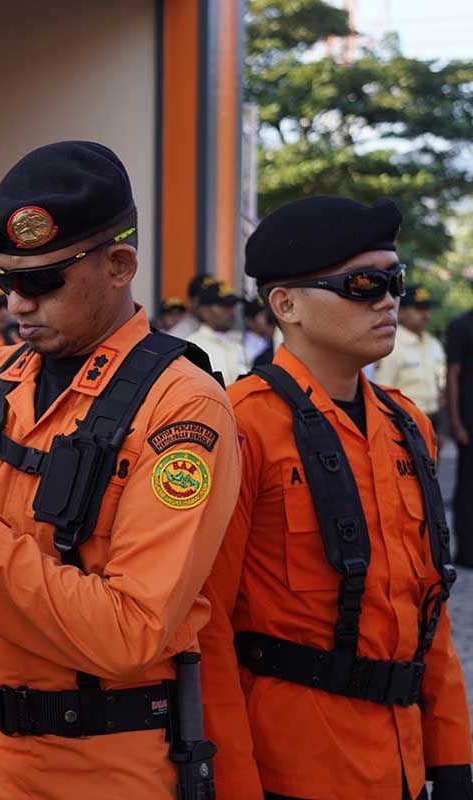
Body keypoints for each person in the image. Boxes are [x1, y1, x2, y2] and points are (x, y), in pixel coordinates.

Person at [0, 140, 241, 798]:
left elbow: (130, 632)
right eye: (3, 281)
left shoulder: (181, 407)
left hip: (90, 768)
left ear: (118, 265)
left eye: (40, 281)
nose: (16, 303)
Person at [199, 196, 471, 800]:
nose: (387, 300)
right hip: (294, 769)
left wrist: (451, 757)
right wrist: (232, 784)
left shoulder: (407, 426)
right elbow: (206, 627)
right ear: (286, 304)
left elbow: (431, 607)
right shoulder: (241, 427)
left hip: (402, 762)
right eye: (363, 284)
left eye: (394, 281)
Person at [375, 286, 445, 430]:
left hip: (432, 419)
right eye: (418, 309)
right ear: (400, 312)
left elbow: (440, 385)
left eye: (427, 308)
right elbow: (381, 393)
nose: (425, 314)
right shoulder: (390, 345)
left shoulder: (433, 344)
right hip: (404, 423)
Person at [448, 303, 473, 567]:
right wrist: (455, 421)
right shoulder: (461, 325)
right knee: (468, 487)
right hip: (469, 418)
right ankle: (467, 550)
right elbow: (452, 375)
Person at [187, 280, 249, 384]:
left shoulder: (238, 343)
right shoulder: (193, 346)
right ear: (204, 311)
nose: (231, 312)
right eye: (224, 306)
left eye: (233, 306)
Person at [165, 274, 217, 339]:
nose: (210, 304)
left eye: (214, 299)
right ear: (190, 302)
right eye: (204, 299)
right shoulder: (179, 335)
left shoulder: (224, 329)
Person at [242, 295, 275, 367]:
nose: (267, 318)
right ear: (249, 321)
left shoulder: (271, 339)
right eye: (263, 315)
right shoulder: (245, 347)